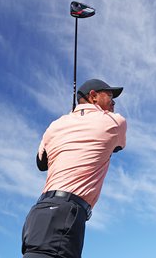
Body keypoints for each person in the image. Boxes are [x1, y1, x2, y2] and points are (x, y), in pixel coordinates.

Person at [22, 79, 127, 258]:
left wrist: (72, 120)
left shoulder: (54, 126)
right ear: (93, 96)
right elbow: (116, 147)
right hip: (65, 213)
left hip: (40, 212)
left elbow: (41, 162)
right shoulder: (115, 122)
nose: (113, 103)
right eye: (110, 97)